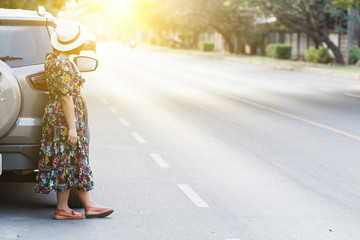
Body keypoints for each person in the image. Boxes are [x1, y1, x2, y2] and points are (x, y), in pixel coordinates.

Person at [35, 20, 113, 220]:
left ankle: (88, 204)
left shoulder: (53, 59)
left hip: (58, 115)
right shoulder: (62, 64)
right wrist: (72, 128)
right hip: (63, 117)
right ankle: (62, 208)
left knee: (74, 158)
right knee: (67, 158)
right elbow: (65, 97)